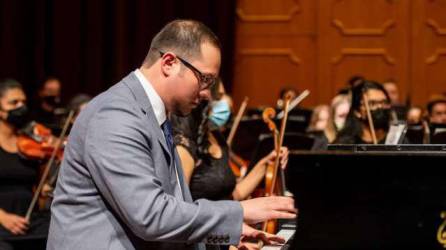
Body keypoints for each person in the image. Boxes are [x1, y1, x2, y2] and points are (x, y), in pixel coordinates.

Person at [47, 20, 296, 250]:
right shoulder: (116, 115)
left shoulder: (155, 112)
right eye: (205, 79)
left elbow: (175, 206)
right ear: (169, 63)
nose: (208, 94)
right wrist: (239, 212)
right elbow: (152, 216)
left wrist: (228, 232)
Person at [172, 80, 289, 202]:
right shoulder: (184, 146)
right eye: (220, 96)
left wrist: (267, 163)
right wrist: (237, 213)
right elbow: (181, 210)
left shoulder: (215, 135)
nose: (227, 101)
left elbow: (232, 196)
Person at [0, 79, 49, 250]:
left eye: (23, 102)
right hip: (3, 225)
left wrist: (44, 192)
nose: (21, 107)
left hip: (30, 222)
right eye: (14, 102)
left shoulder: (30, 143)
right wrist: (3, 217)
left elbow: (38, 192)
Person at [334, 80, 392, 144]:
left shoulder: (397, 140)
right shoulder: (344, 145)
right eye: (372, 103)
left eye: (384, 102)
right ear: (357, 111)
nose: (380, 107)